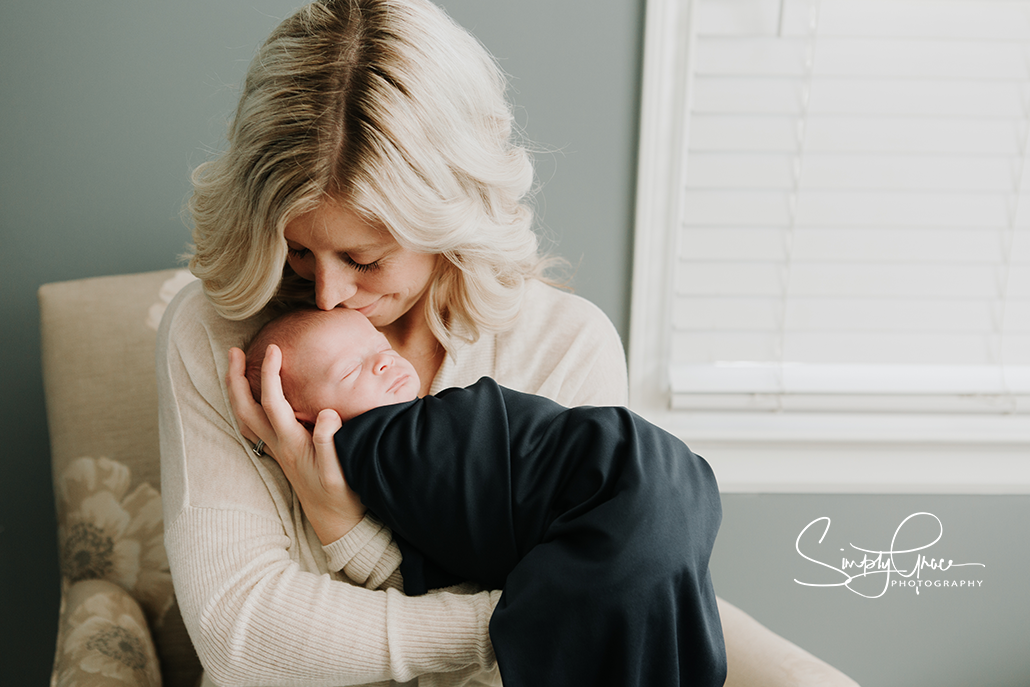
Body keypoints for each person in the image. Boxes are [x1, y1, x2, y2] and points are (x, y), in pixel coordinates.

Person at [157, 0, 859, 685]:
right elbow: (242, 631)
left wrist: (343, 528)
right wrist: (544, 613)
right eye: (300, 250)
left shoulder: (564, 346)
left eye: (364, 258)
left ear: (449, 217)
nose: (328, 293)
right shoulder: (225, 340)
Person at [241, 306, 726, 686]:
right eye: (352, 371)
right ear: (299, 415)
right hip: (660, 474)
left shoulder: (568, 338)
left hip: (613, 468)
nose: (384, 360)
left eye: (378, 344)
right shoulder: (368, 443)